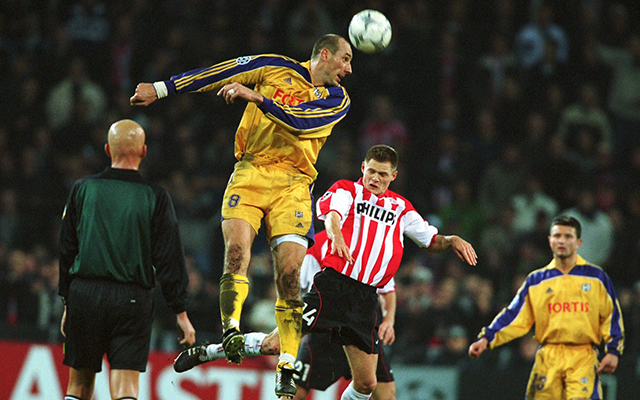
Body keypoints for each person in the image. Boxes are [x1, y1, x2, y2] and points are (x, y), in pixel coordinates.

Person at [130, 33, 353, 398]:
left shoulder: (336, 100)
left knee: (291, 274)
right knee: (235, 253)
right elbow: (220, 73)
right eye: (344, 59)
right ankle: (230, 330)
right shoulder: (274, 66)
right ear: (324, 55)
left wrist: (256, 98)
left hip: (294, 184)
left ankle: (286, 365)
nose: (348, 69)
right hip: (250, 171)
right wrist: (161, 88)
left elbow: (301, 122)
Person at [178, 145, 477, 400]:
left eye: (383, 174)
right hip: (331, 289)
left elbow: (430, 241)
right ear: (363, 167)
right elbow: (333, 213)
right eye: (371, 171)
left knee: (366, 384)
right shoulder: (347, 189)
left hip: (364, 300)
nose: (375, 178)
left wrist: (451, 241)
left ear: (393, 177)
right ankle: (212, 351)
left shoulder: (402, 209)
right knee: (275, 344)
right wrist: (335, 233)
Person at [58, 119, 196, 400]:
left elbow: (66, 249)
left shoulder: (82, 189)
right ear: (144, 151)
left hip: (84, 295)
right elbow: (170, 257)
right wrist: (180, 311)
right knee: (125, 388)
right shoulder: (155, 196)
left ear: (108, 150)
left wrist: (66, 300)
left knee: (79, 386)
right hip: (132, 300)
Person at [174, 229, 398, 400]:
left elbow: (388, 288)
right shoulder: (319, 245)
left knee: (383, 394)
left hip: (360, 325)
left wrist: (388, 320)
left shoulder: (374, 245)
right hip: (325, 332)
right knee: (278, 354)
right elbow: (309, 293)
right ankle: (210, 351)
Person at [468, 215, 625, 400]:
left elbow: (611, 315)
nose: (562, 241)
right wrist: (487, 338)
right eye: (557, 236)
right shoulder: (537, 281)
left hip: (582, 356)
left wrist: (613, 350)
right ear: (550, 241)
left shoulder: (596, 278)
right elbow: (515, 315)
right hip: (548, 358)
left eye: (568, 236)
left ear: (579, 242)